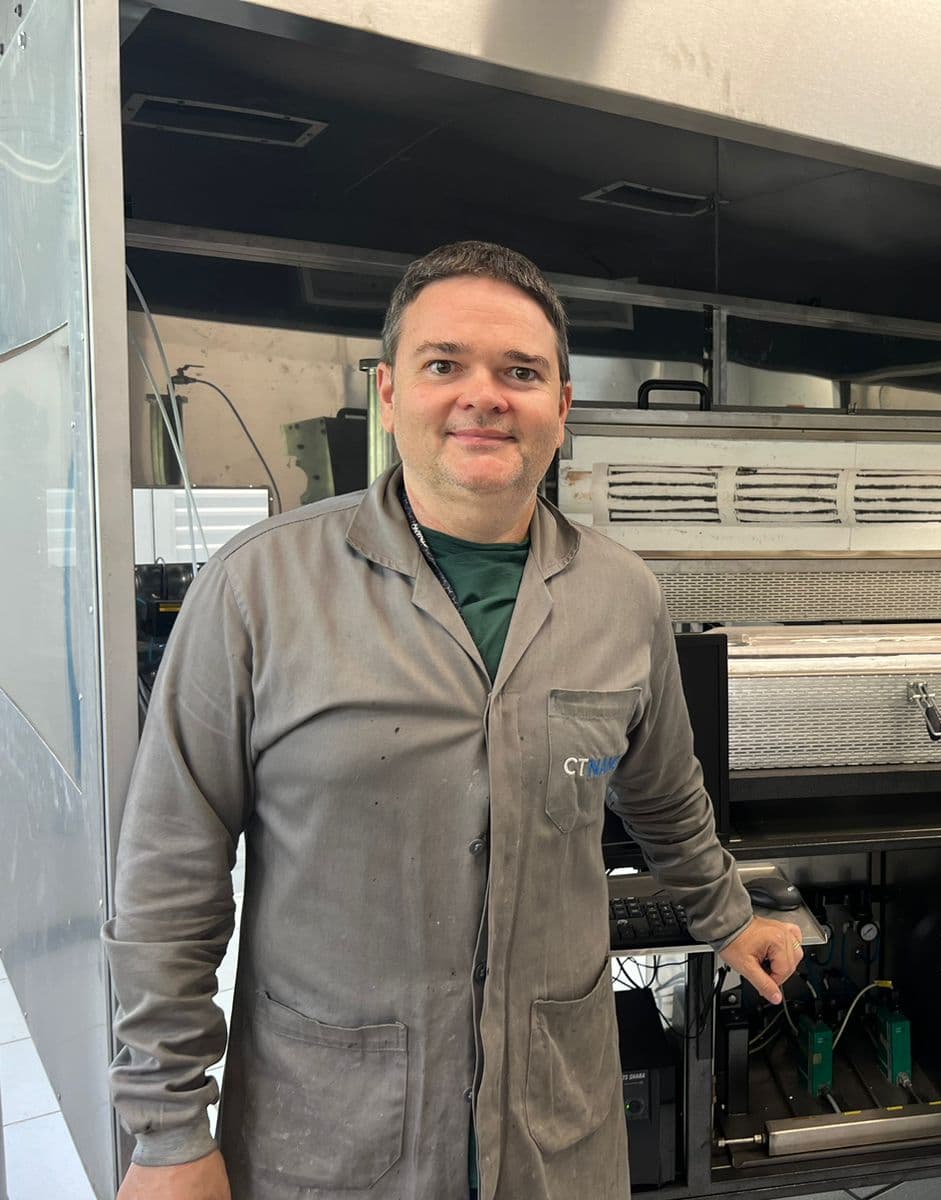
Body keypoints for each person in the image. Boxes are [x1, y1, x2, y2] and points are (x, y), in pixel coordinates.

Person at [105, 241, 804, 1199]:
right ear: (391, 393)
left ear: (562, 406)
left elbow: (664, 794)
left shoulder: (619, 593)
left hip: (553, 1131)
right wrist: (168, 1131)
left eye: (521, 373)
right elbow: (168, 877)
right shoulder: (258, 588)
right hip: (333, 1132)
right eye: (446, 366)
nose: (485, 396)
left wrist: (729, 919)